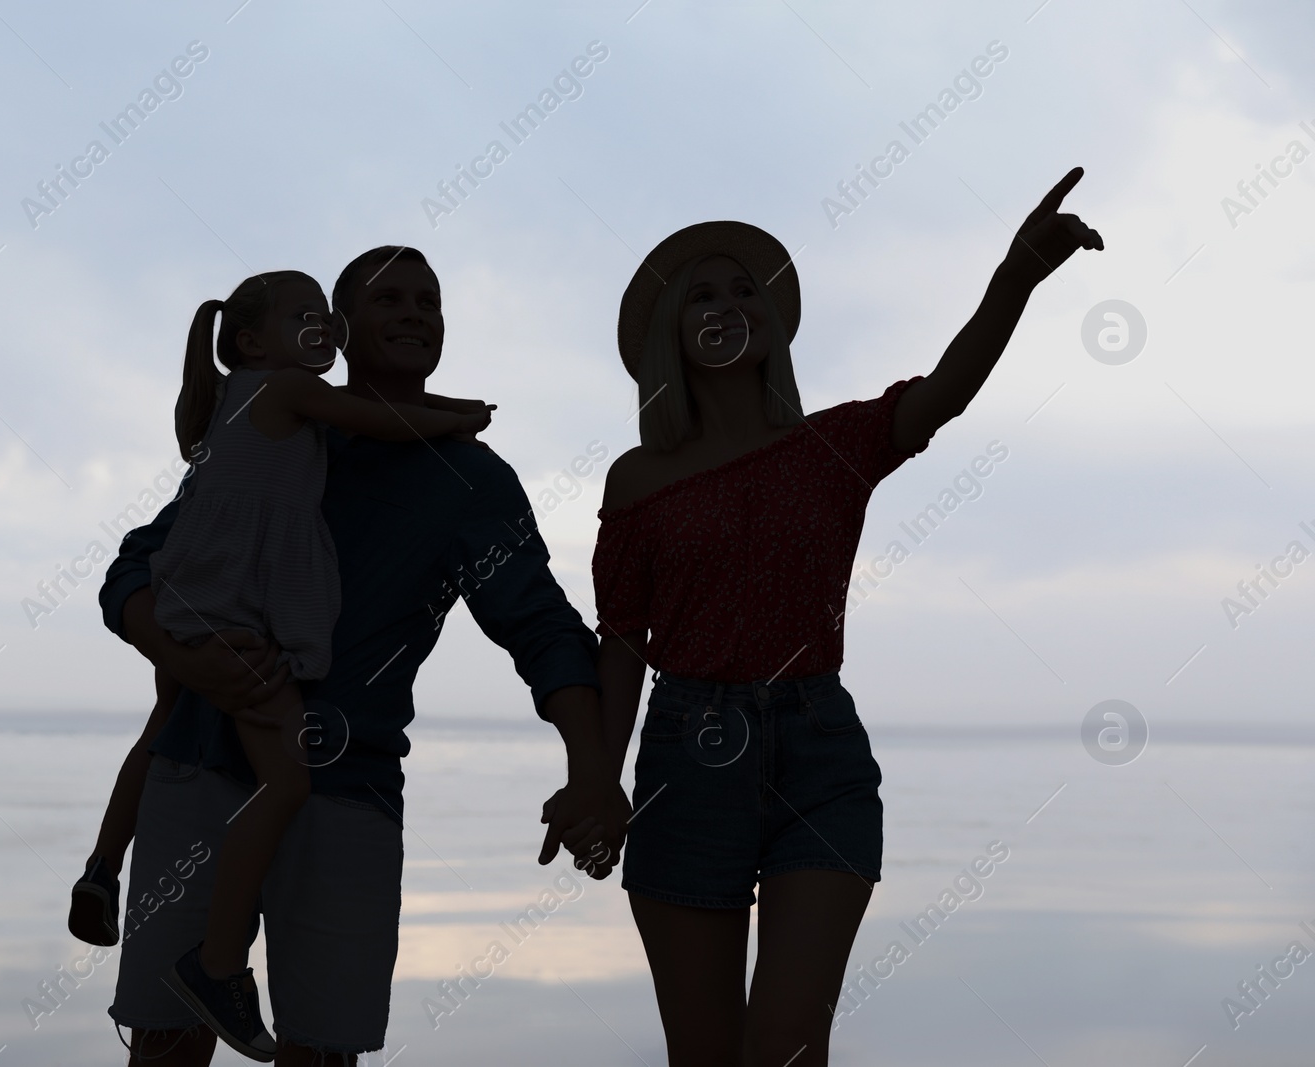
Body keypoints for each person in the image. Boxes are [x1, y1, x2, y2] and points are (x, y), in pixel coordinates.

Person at [593, 169, 1102, 1066]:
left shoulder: (832, 445)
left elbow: (947, 389)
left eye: (744, 287)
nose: (727, 303)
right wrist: (598, 777)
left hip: (819, 751)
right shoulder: (637, 481)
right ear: (670, 329)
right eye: (702, 293)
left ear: (775, 320)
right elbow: (622, 644)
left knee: (788, 1043)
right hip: (686, 753)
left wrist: (1016, 273)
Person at [97, 246, 631, 1065]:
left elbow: (545, 631)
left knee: (322, 1050)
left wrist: (592, 769)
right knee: (165, 1044)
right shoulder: (275, 426)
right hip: (198, 766)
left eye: (430, 300)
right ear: (341, 329)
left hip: (347, 786)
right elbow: (141, 561)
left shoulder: (472, 481)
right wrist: (174, 649)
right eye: (390, 300)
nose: (415, 312)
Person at [69, 270, 493, 1059]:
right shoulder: (293, 398)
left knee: (166, 723)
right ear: (252, 341)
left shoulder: (244, 407)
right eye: (308, 316)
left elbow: (371, 421)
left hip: (199, 598)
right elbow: (384, 420)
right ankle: (217, 965)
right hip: (233, 620)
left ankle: (103, 866)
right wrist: (464, 415)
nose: (320, 328)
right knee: (286, 780)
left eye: (320, 317)